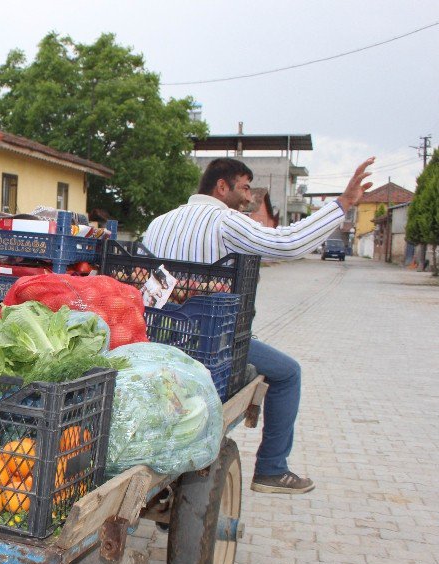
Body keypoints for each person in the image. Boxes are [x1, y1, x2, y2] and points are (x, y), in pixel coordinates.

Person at [143, 156, 374, 494]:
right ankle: (271, 469)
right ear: (222, 187)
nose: (250, 197)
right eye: (245, 187)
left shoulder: (159, 223)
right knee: (288, 372)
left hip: (156, 336)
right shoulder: (225, 221)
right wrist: (340, 205)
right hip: (210, 343)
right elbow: (287, 243)